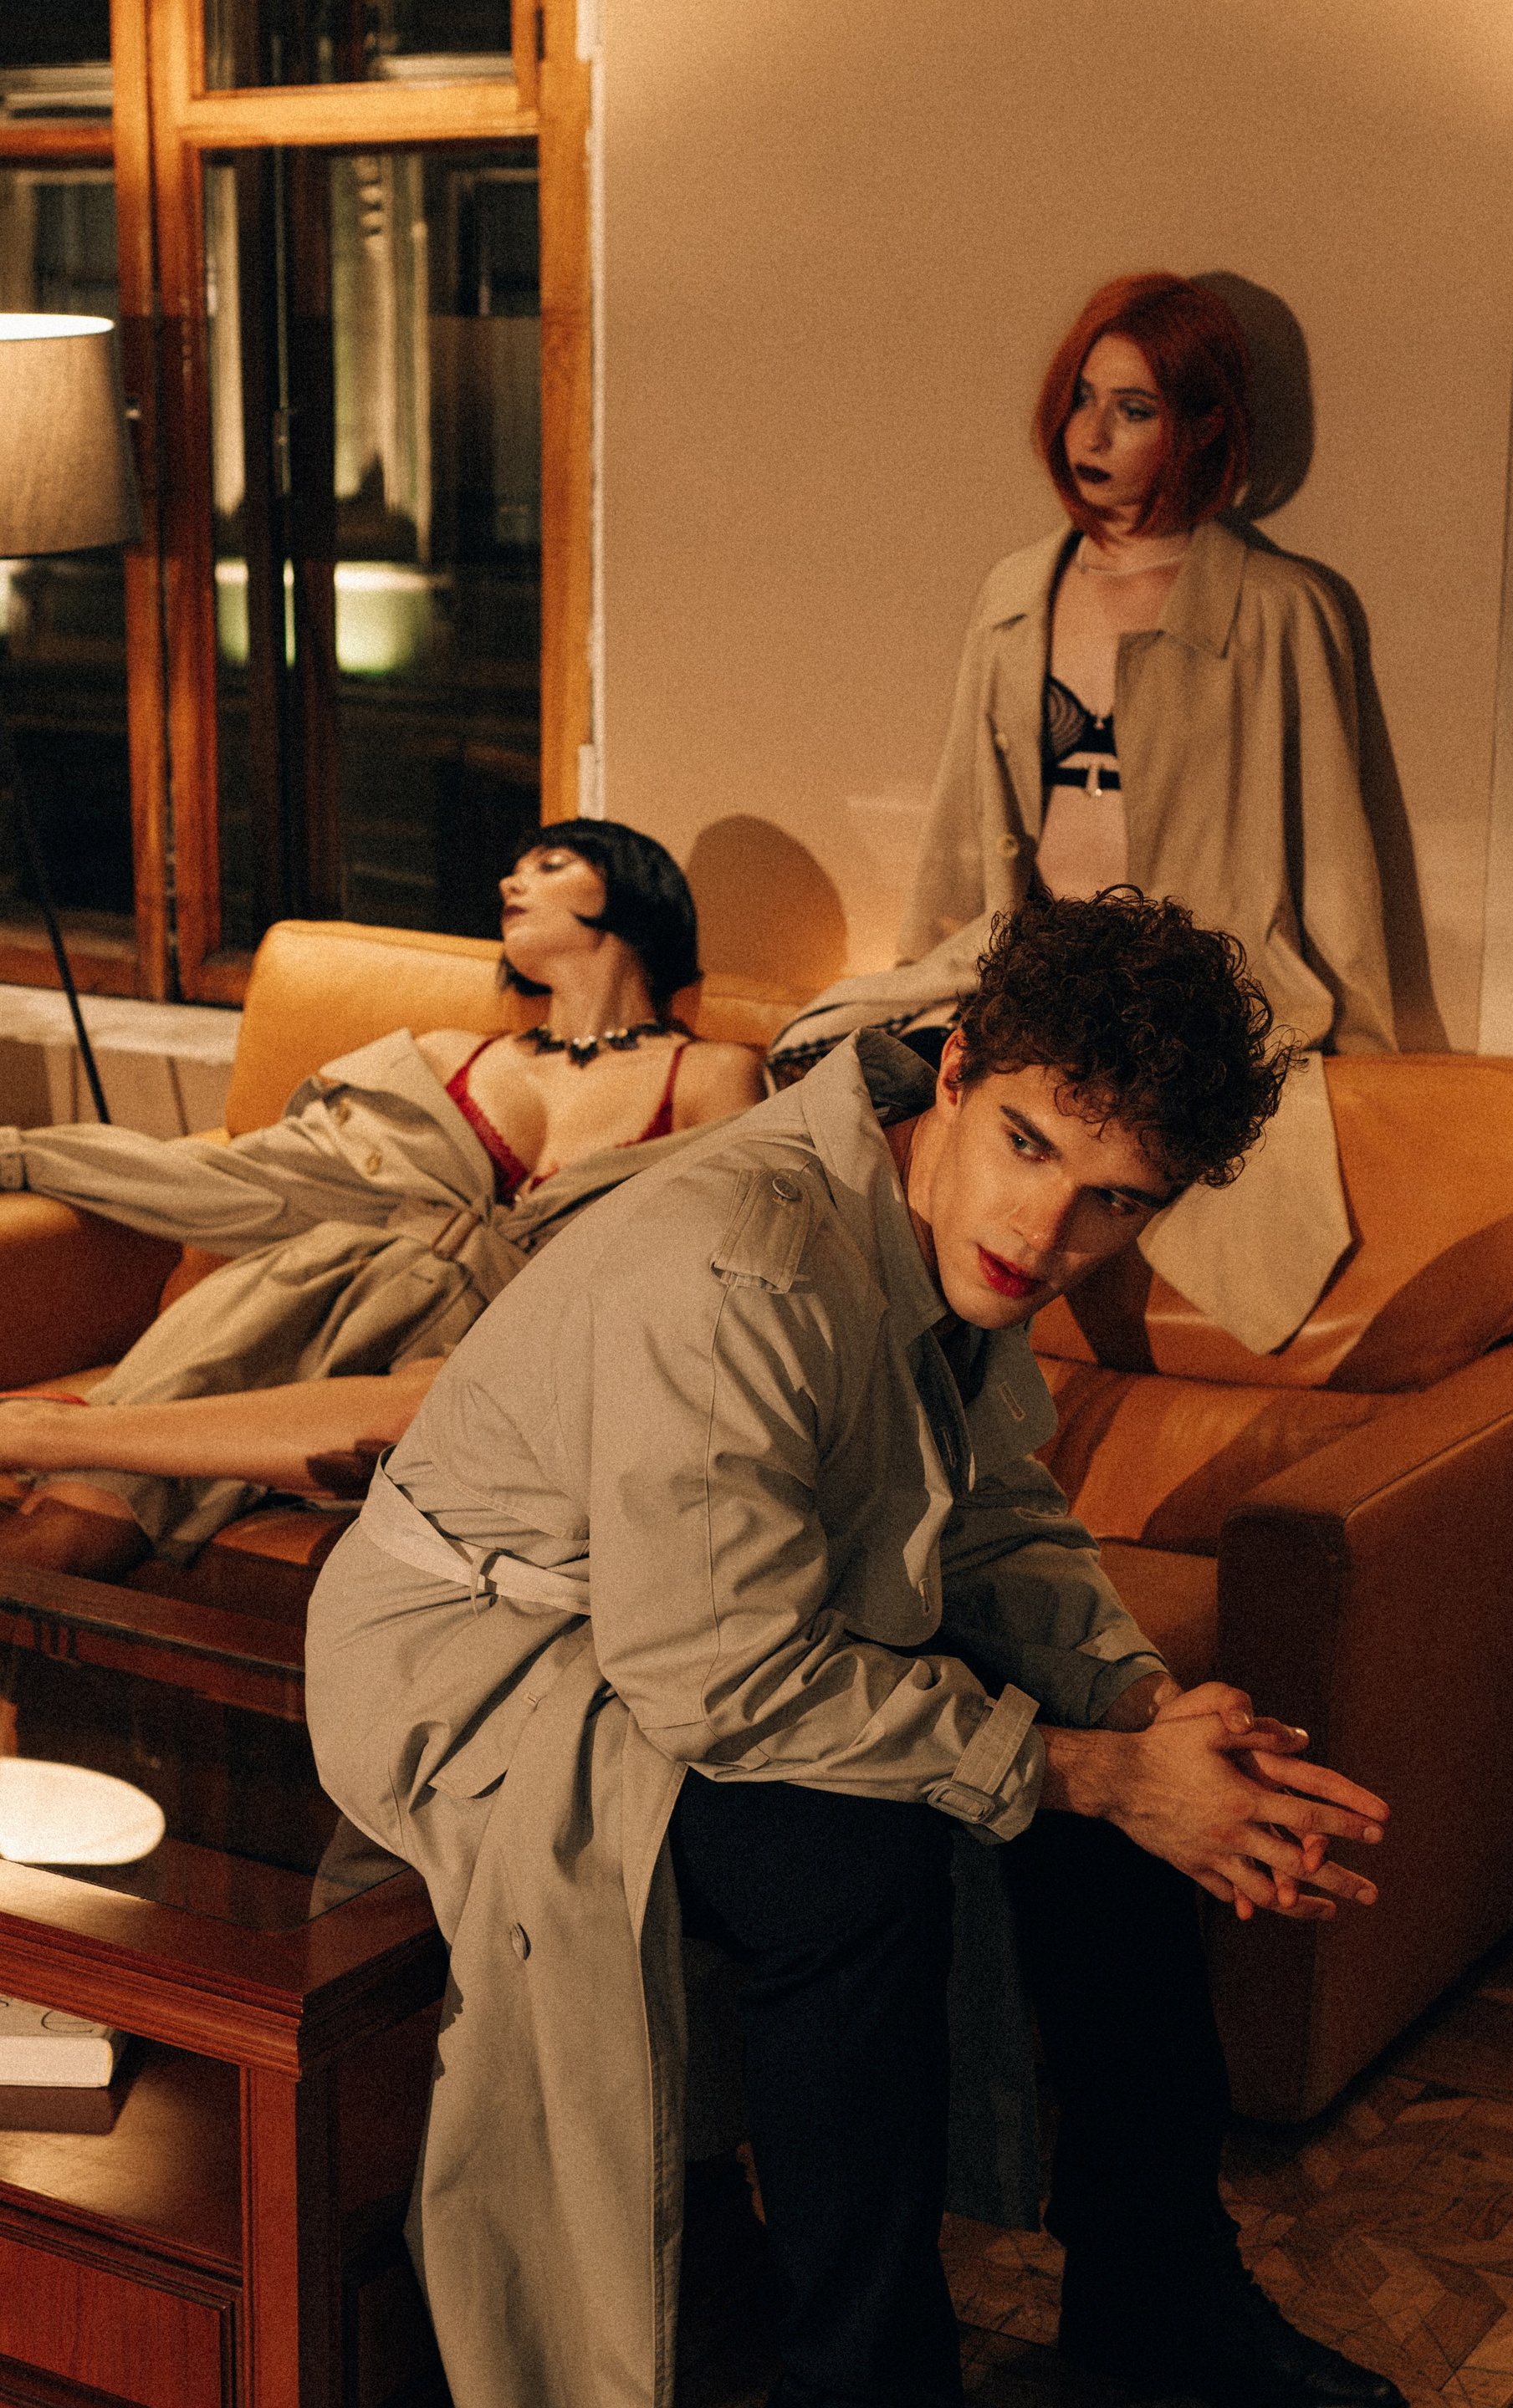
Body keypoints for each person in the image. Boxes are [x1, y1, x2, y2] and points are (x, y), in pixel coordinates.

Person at [304, 890, 1406, 2408]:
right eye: (1029, 1145)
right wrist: (1088, 1773)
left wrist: (1143, 1713)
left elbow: (990, 1514)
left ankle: (1158, 2291)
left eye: (1115, 1199)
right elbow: (720, 1682)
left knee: (1117, 1807)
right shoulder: (742, 1259)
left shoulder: (943, 1220)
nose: (1046, 1231)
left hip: (717, 1620)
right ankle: (869, 2381)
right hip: (498, 1659)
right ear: (954, 1070)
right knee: (853, 1863)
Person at [769, 271, 1397, 1352]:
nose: (1091, 435)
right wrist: (927, 962)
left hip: (1192, 984)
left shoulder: (1281, 609)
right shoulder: (1017, 592)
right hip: (1028, 959)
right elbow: (965, 818)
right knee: (816, 1070)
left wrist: (1378, 1059)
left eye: (1134, 409)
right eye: (1082, 400)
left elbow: (1335, 855)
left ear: (1205, 425)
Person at [0, 820, 763, 1579]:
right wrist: (23, 1157)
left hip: (504, 1336)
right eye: (515, 869)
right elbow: (245, 1178)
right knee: (65, 1539)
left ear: (632, 893)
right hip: (305, 1299)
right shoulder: (443, 1058)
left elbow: (721, 1245)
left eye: (551, 865)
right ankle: (55, 1437)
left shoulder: (713, 1072)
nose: (510, 883)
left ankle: (49, 1431)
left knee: (427, 1417)